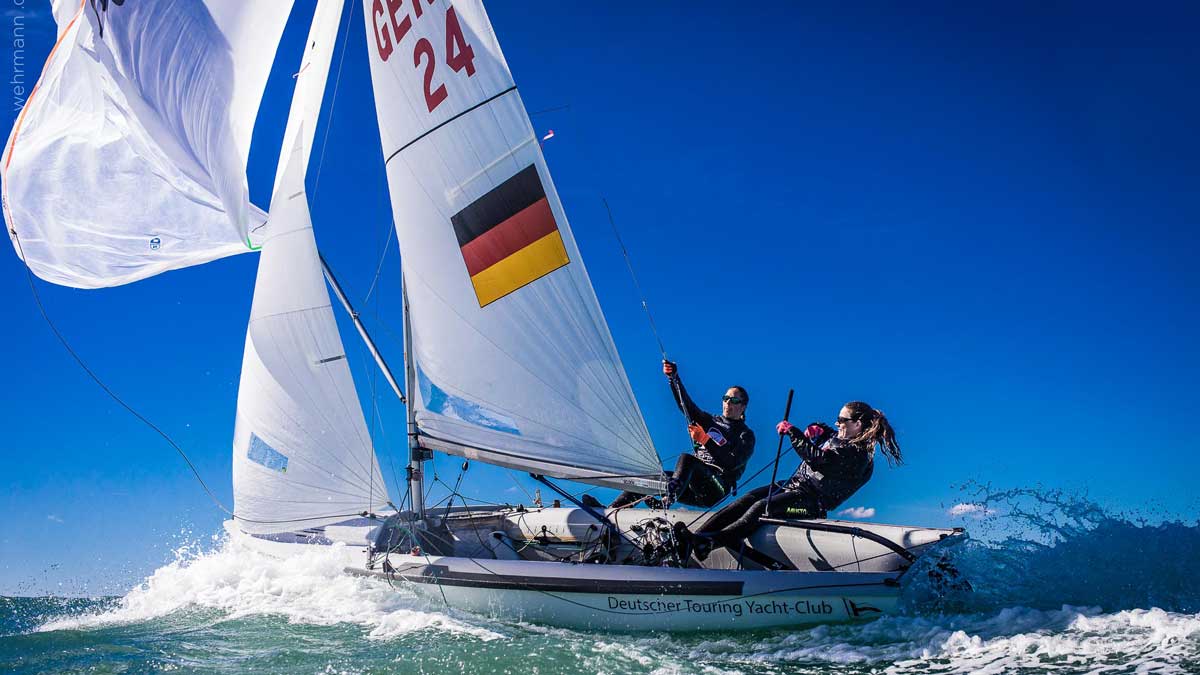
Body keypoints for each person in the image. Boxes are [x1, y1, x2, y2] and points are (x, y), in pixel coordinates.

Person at [686, 401, 901, 558]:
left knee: (762, 506)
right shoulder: (842, 437)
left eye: (842, 420)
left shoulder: (859, 455)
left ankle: (710, 543)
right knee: (748, 498)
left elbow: (818, 459)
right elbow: (828, 436)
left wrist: (793, 432)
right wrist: (817, 427)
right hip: (792, 486)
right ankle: (696, 537)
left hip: (810, 503)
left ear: (858, 424)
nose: (837, 424)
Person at [603, 360, 756, 509]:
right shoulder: (709, 421)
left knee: (687, 459)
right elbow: (686, 405)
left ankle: (667, 500)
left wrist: (705, 439)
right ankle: (611, 510)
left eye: (734, 400)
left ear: (743, 407)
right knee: (652, 479)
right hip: (689, 485)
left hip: (716, 489)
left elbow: (732, 463)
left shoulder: (745, 434)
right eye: (726, 398)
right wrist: (673, 378)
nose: (728, 403)